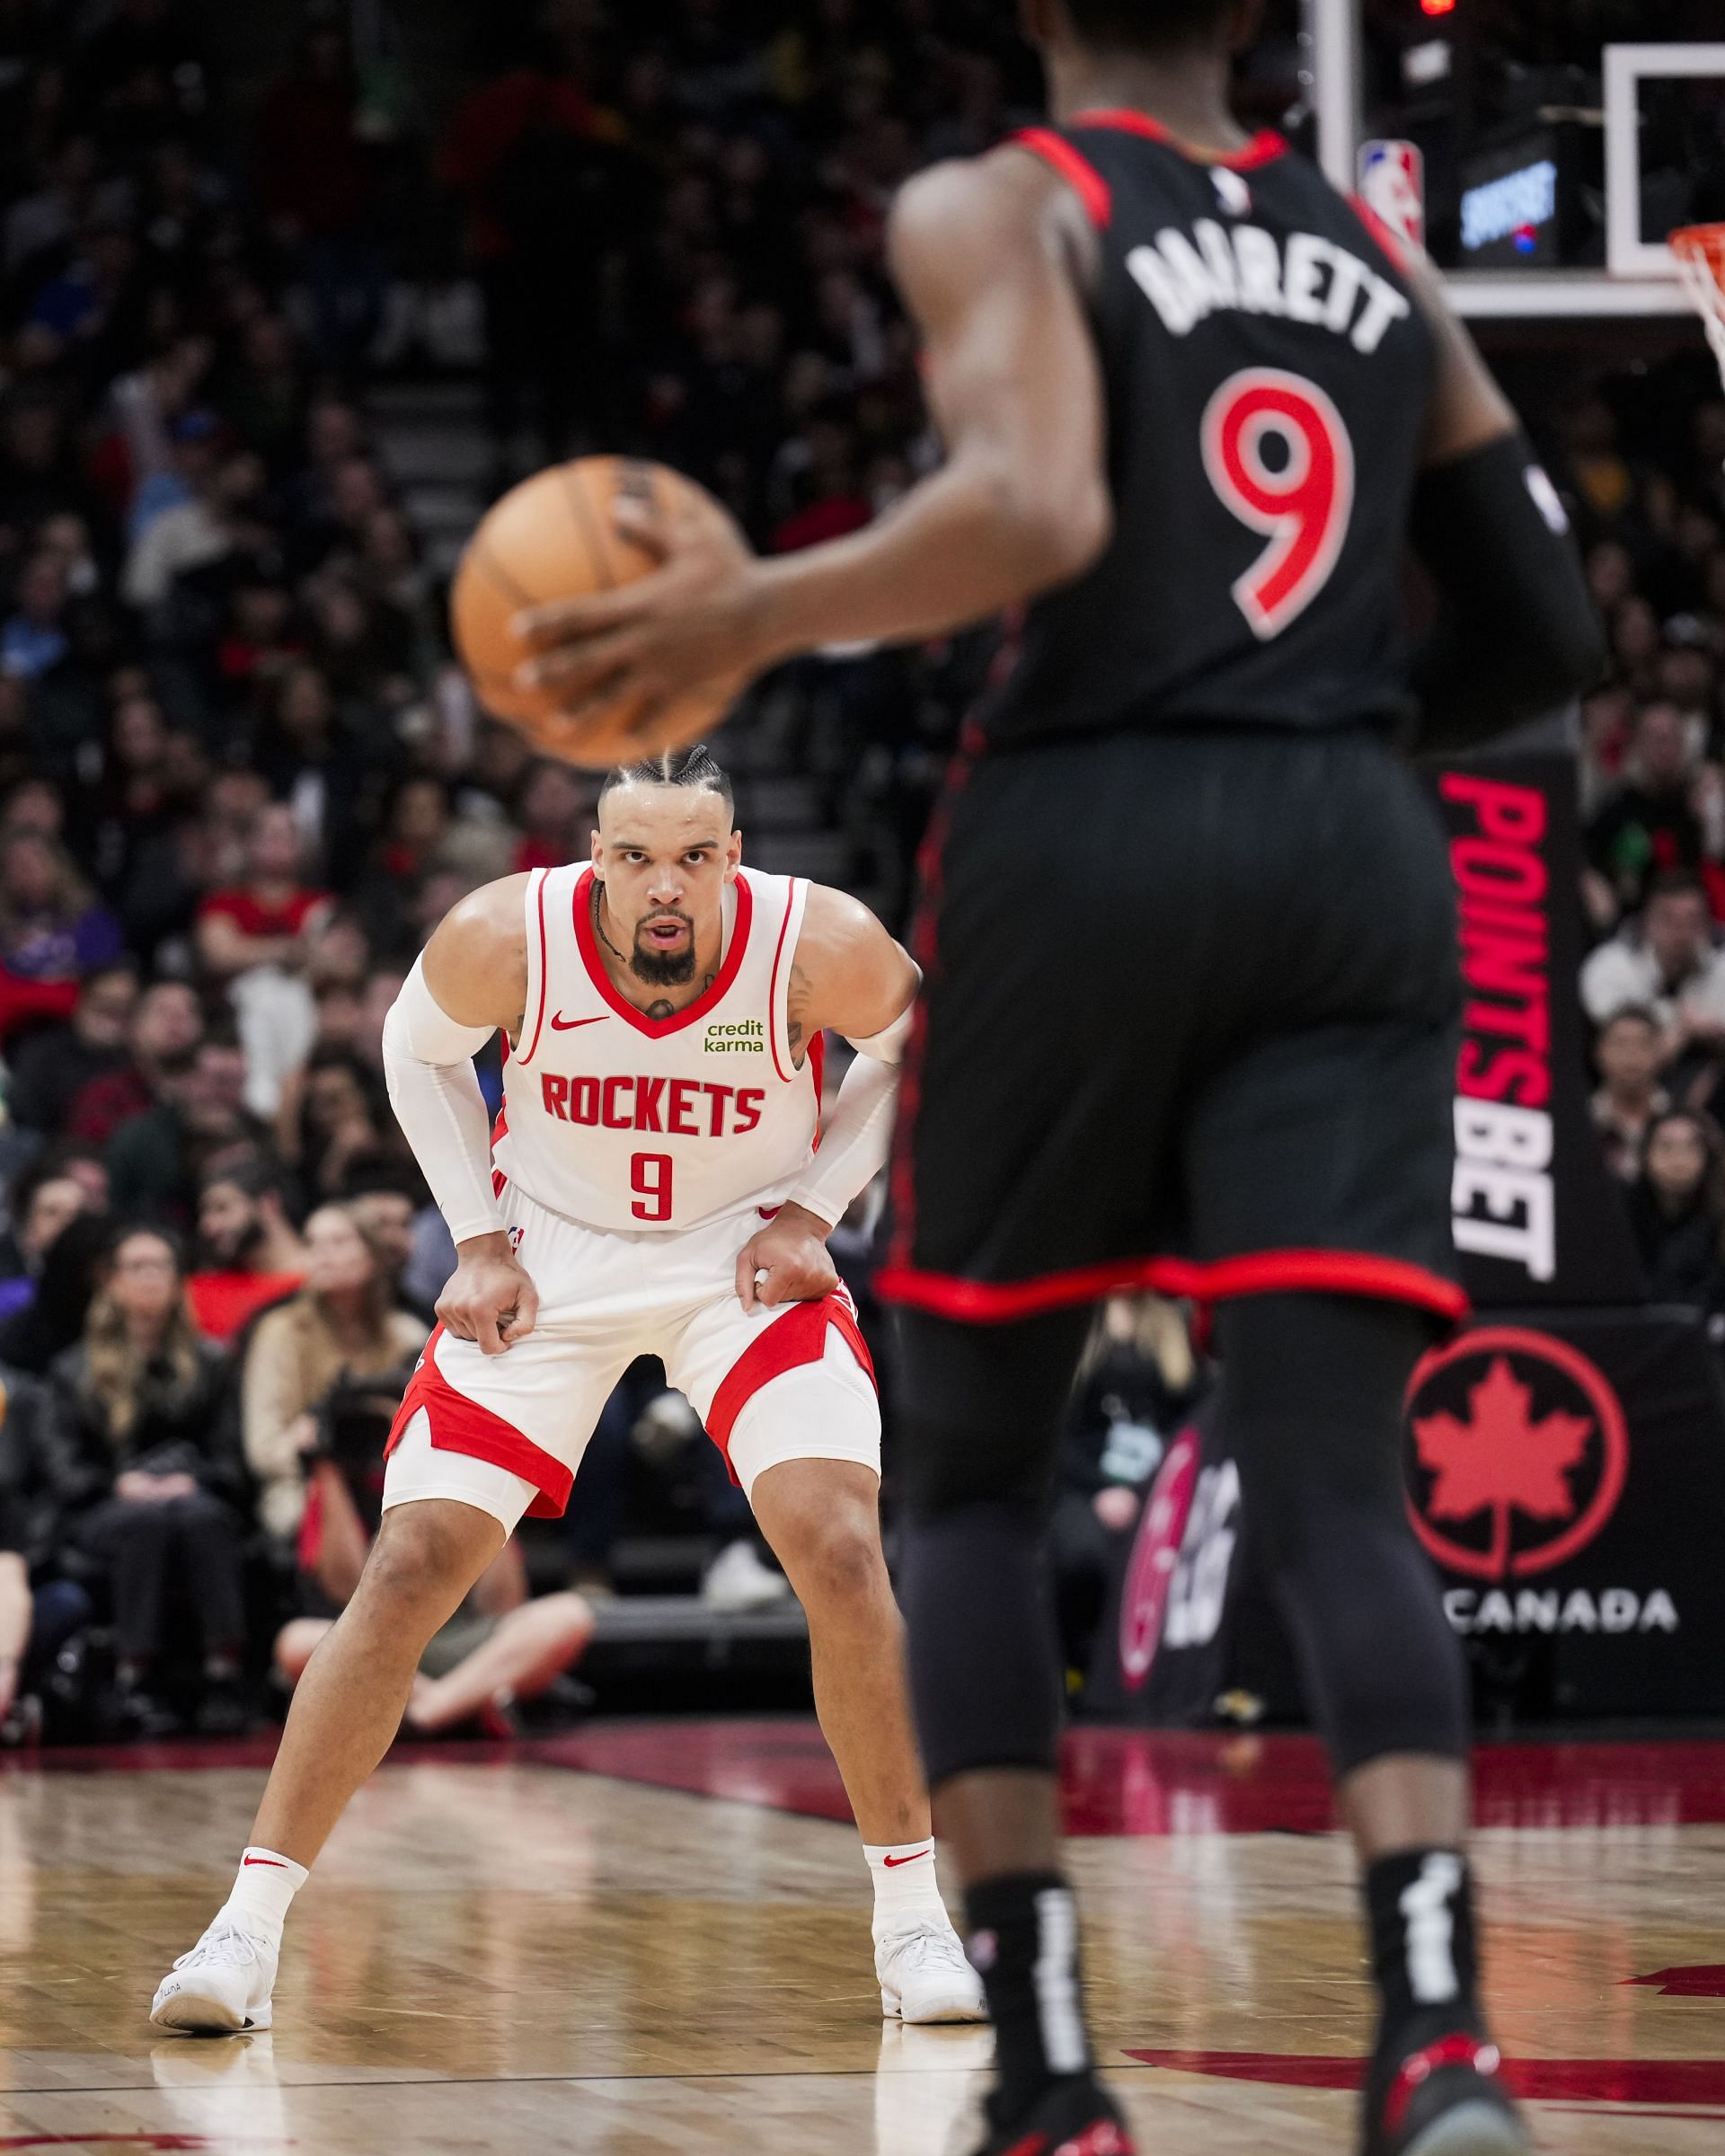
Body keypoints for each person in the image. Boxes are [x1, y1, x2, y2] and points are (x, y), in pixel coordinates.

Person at [503, 6, 1606, 2151]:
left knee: (977, 1476)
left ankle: (1048, 2070)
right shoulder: (1379, 260)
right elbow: (1547, 624)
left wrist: (760, 607)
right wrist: (1335, 755)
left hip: (1086, 835)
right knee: (1336, 1487)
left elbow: (1029, 500)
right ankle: (1441, 2033)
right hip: (1351, 855)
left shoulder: (1006, 197)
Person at [153, 749, 986, 2037]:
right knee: (414, 1563)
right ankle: (246, 1931)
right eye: (636, 856)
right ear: (593, 855)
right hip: (553, 1254)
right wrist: (477, 1234)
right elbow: (411, 1051)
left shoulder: (813, 937)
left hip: (738, 1257)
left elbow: (916, 1044)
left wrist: (820, 1206)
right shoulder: (507, 933)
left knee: (837, 1543)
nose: (666, 886)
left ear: (734, 853)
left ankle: (912, 1919)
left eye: (694, 857)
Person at [277, 1369, 592, 1739]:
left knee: (569, 1615)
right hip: (380, 1643)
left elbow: (503, 1603)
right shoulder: (334, 1485)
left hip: (462, 1643)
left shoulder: (460, 1473)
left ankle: (427, 1713)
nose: (387, 1444)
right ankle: (464, 1705)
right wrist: (325, 1467)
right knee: (297, 1641)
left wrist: (489, 1471)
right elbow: (347, 1591)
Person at [41, 1226, 244, 1735]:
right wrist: (119, 1484)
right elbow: (64, 1467)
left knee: (200, 1518)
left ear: (178, 1281)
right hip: (105, 1504)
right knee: (144, 1523)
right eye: (137, 1267)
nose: (150, 1278)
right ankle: (137, 1678)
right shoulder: (73, 1368)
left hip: (192, 1496)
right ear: (112, 1282)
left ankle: (224, 1672)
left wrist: (191, 1480)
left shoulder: (211, 1362)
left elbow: (229, 1454)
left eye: (161, 1266)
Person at [238, 1201, 428, 1551]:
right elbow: (262, 1449)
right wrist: (306, 1442)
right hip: (304, 1481)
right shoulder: (280, 1332)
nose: (323, 1254)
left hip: (390, 1476)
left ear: (372, 1255)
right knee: (334, 1491)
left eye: (339, 1242)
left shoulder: (407, 1334)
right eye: (313, 1244)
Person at [1579, 871, 1725, 1060]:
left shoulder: (1721, 964)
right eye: (1669, 920)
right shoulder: (1610, 966)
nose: (1682, 934)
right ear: (1648, 923)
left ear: (1707, 924)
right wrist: (1682, 1026)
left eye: (1693, 921)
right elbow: (1623, 1053)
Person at [4, 961, 137, 1135]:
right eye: (105, 1004)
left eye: (124, 1008)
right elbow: (26, 1113)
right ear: (84, 1000)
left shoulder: (140, 1061)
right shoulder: (44, 1052)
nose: (112, 1018)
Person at [185, 1157, 307, 1345]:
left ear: (269, 1203)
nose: (208, 1226)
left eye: (222, 1208)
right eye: (205, 1212)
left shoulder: (323, 1282)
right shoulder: (201, 1292)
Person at [1624, 1109, 1725, 1312]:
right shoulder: (1621, 1212)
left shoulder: (1718, 1219)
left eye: (1691, 1147)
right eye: (1665, 1146)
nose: (1678, 1159)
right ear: (1644, 1154)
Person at [1590, 1007, 1669, 1182]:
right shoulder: (1580, 1120)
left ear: (1660, 1053)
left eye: (1643, 1044)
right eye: (1621, 1043)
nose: (1631, 1054)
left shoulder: (1679, 1120)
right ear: (1598, 1052)